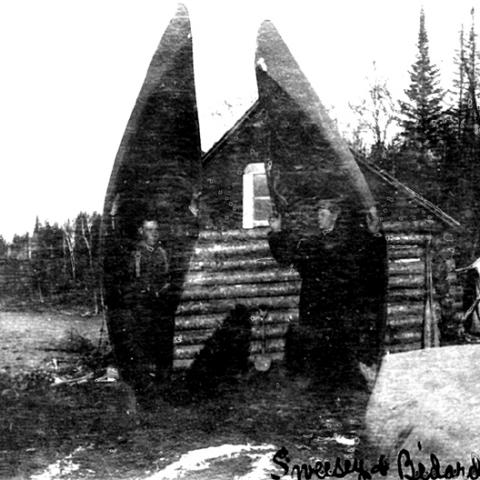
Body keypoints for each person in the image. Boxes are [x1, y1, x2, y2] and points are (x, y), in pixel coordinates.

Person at [268, 198, 385, 382]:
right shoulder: (311, 243)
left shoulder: (348, 243)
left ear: (335, 216)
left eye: (323, 214)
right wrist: (276, 232)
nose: (318, 218)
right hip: (314, 306)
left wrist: (374, 235)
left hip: (339, 307)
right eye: (317, 214)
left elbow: (370, 260)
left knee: (341, 355)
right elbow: (286, 258)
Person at [113, 218, 173, 394]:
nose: (153, 234)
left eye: (156, 230)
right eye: (149, 230)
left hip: (159, 306)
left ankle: (161, 384)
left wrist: (161, 291)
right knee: (141, 344)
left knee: (161, 344)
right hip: (140, 307)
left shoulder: (161, 253)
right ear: (141, 231)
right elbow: (129, 281)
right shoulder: (136, 254)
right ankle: (142, 384)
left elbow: (167, 278)